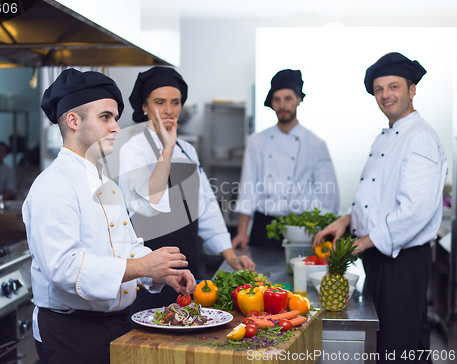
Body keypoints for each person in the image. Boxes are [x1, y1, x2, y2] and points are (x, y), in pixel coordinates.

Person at [22, 68, 196, 364]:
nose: (116, 127)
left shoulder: (105, 182)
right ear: (73, 121)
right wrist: (142, 266)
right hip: (71, 334)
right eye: (106, 117)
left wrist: (162, 272)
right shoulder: (54, 184)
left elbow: (126, 246)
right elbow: (64, 268)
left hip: (114, 326)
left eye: (115, 118)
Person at [313, 52, 447, 363]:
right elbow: (377, 195)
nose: (385, 95)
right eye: (379, 89)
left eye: (393, 86)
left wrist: (364, 242)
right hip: (381, 254)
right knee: (405, 339)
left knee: (396, 345)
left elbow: (416, 209)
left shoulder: (420, 137)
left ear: (412, 90)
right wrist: (346, 220)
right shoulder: (386, 136)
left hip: (402, 260)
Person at [119, 66, 255, 313]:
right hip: (151, 276)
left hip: (189, 271)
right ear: (144, 107)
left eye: (176, 102)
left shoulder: (186, 150)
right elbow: (148, 206)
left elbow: (207, 207)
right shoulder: (133, 150)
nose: (170, 110)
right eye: (160, 102)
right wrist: (166, 151)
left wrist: (230, 255)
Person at [232, 69, 340, 248]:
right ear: (272, 103)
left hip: (301, 227)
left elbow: (328, 197)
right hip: (263, 225)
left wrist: (325, 233)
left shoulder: (315, 143)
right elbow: (247, 190)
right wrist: (242, 233)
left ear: (299, 99)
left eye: (288, 98)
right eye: (277, 99)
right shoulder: (257, 141)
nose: (282, 105)